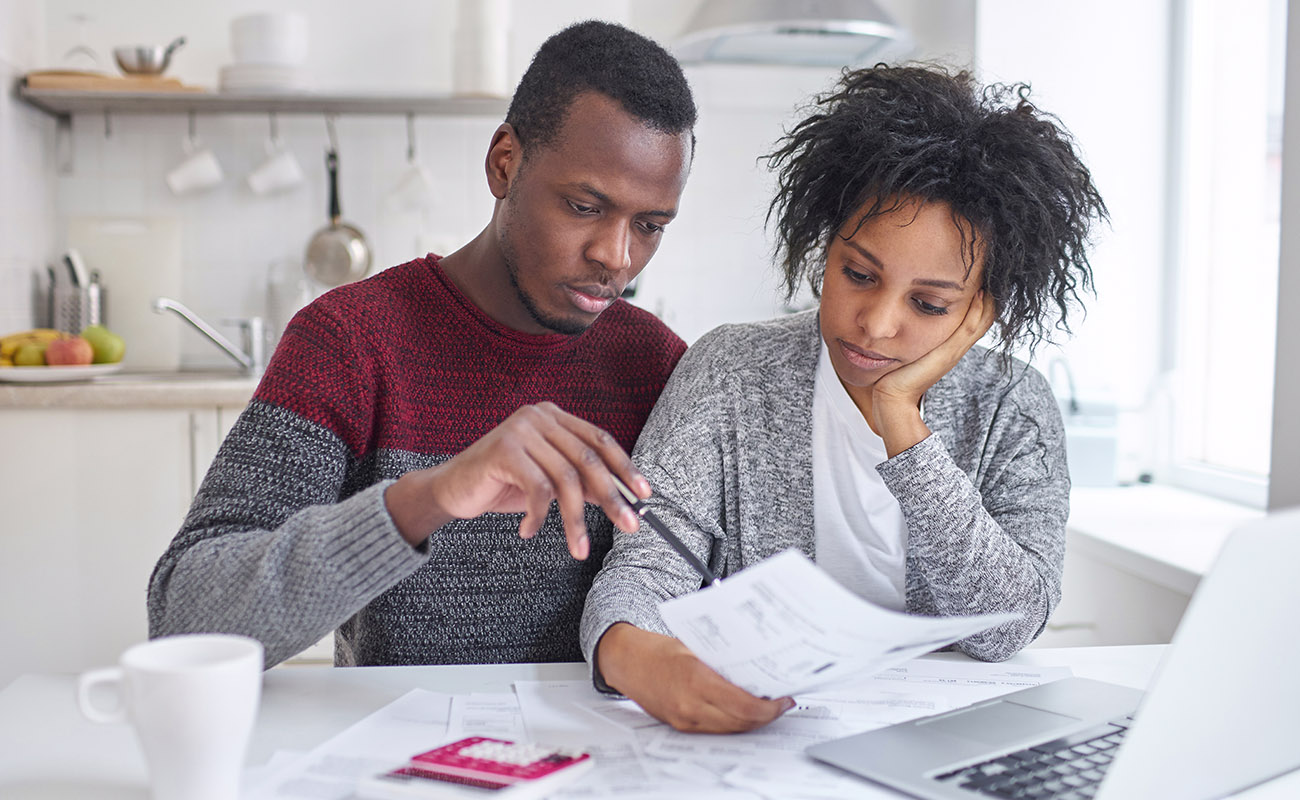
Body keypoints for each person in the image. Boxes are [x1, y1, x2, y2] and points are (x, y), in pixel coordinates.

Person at [147, 20, 697, 669]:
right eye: (583, 207)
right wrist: (428, 497)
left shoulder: (657, 364)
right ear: (504, 163)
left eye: (650, 225)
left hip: (607, 755)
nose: (616, 255)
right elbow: (184, 619)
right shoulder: (350, 342)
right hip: (397, 756)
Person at [580, 64, 1108, 733]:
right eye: (858, 274)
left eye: (929, 302)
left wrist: (902, 423)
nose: (877, 322)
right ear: (824, 248)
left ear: (981, 309)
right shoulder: (731, 371)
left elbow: (1007, 626)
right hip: (764, 739)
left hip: (944, 739)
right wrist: (630, 654)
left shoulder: (1013, 405)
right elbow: (648, 560)